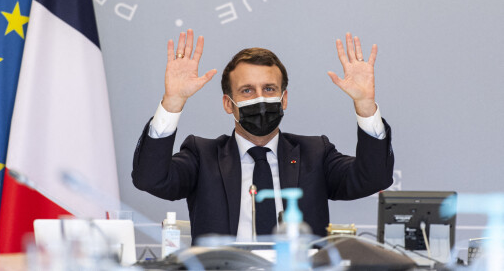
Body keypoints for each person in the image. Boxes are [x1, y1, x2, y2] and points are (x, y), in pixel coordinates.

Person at [132, 29, 394, 241]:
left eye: (269, 88)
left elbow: (372, 178)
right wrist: (172, 103)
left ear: (284, 99)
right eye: (247, 91)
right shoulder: (202, 155)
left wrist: (365, 106)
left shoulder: (315, 153)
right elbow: (150, 179)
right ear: (228, 103)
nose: (259, 98)